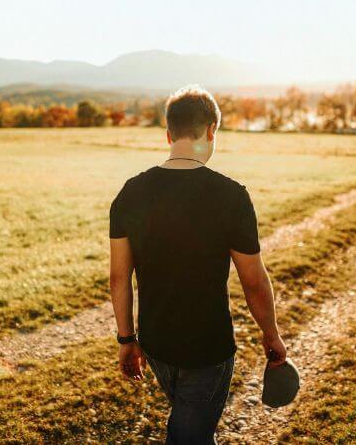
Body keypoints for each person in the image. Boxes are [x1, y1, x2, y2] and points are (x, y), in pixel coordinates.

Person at [108, 85, 287, 444]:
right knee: (191, 432)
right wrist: (271, 335)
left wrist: (127, 339)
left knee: (192, 426)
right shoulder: (231, 196)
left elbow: (118, 277)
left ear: (169, 134)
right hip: (208, 348)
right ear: (211, 131)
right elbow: (253, 281)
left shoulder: (130, 192)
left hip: (156, 344)